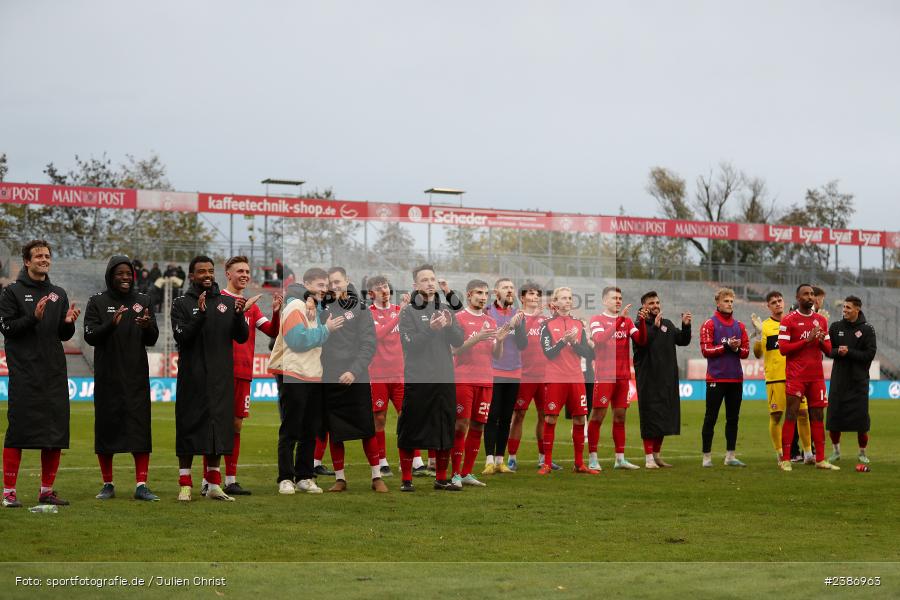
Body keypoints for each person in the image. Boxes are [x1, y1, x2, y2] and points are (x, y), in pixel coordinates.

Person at [1, 240, 80, 508]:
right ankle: (9, 492)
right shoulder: (11, 292)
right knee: (18, 432)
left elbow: (61, 334)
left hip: (54, 373)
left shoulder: (58, 293)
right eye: (38, 256)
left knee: (54, 433)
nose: (44, 259)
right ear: (27, 261)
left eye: (47, 255)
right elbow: (8, 329)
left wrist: (68, 324)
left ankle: (46, 490)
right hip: (25, 373)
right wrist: (33, 317)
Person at [199, 256, 282, 496]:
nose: (245, 275)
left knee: (236, 426)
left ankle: (231, 480)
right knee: (214, 427)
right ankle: (208, 480)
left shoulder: (252, 306)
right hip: (219, 373)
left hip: (244, 372)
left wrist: (276, 313)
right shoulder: (218, 300)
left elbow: (272, 331)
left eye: (247, 271)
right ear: (228, 274)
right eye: (240, 271)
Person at [171, 256, 250, 501]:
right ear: (191, 276)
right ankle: (185, 484)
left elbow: (242, 337)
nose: (207, 275)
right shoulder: (181, 303)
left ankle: (214, 485)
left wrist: (238, 316)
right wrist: (200, 315)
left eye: (210, 271)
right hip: (192, 379)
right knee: (189, 428)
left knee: (217, 431)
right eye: (201, 271)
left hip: (220, 380)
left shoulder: (227, 302)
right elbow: (181, 336)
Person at [84, 256, 160, 502]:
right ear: (110, 275)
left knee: (140, 431)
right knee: (106, 430)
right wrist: (110, 324)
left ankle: (142, 485)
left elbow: (152, 339)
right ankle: (108, 484)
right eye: (120, 273)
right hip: (108, 378)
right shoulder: (97, 301)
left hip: (136, 377)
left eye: (129, 273)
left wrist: (148, 326)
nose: (126, 277)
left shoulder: (143, 300)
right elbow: (90, 335)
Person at [269, 268, 342, 495]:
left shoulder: (312, 305)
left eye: (326, 285)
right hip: (294, 373)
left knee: (310, 430)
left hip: (313, 374)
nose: (324, 289)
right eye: (320, 285)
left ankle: (304, 476)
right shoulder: (295, 306)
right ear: (307, 283)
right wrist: (326, 330)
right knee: (291, 429)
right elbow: (297, 340)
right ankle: (285, 477)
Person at [397, 264, 465, 492]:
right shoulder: (407, 311)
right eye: (424, 279)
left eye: (432, 279)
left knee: (445, 427)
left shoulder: (446, 309)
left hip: (444, 377)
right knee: (410, 427)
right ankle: (407, 479)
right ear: (415, 285)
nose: (429, 283)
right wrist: (431, 330)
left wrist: (447, 326)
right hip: (418, 378)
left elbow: (458, 341)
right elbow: (409, 344)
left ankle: (441, 478)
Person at [319, 267, 385, 493]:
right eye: (331, 283)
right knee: (335, 430)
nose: (334, 286)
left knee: (367, 429)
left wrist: (354, 371)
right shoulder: (323, 308)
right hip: (330, 377)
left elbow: (369, 344)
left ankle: (377, 477)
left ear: (347, 281)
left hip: (356, 377)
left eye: (338, 281)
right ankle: (340, 478)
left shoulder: (361, 308)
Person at [778, 283, 838, 471]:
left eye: (812, 294)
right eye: (806, 294)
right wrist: (806, 340)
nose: (810, 297)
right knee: (791, 414)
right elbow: (783, 349)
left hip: (816, 377)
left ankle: (820, 459)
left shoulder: (821, 320)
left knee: (818, 415)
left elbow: (829, 350)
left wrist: (820, 340)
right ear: (798, 298)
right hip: (796, 376)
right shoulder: (788, 320)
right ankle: (786, 459)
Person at [450, 279, 504, 488]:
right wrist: (477, 337)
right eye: (479, 293)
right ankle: (454, 474)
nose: (483, 297)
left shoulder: (491, 321)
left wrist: (499, 340)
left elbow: (496, 356)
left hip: (486, 380)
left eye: (486, 294)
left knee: (479, 425)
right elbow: (454, 350)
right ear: (469, 294)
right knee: (460, 425)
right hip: (464, 379)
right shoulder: (458, 319)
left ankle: (466, 473)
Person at [538, 287, 597, 475]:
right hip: (555, 378)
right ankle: (546, 463)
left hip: (576, 378)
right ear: (555, 302)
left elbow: (589, 353)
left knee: (580, 418)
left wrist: (574, 343)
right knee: (550, 417)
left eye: (570, 298)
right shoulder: (546, 325)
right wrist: (563, 341)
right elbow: (549, 354)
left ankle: (579, 463)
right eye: (563, 298)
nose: (567, 301)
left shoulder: (578, 324)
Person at [750, 291, 813, 465]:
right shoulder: (765, 326)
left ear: (784, 302)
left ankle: (808, 453)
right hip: (775, 378)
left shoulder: (793, 322)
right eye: (773, 302)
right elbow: (757, 354)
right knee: (777, 416)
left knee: (803, 413)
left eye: (780, 300)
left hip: (796, 377)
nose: (778, 304)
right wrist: (757, 334)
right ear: (768, 306)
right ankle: (779, 453)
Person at [632, 291, 692, 468]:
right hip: (648, 379)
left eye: (657, 302)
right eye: (651, 303)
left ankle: (657, 455)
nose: (656, 305)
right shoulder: (638, 325)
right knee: (650, 417)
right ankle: (649, 458)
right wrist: (654, 327)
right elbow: (643, 343)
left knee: (664, 417)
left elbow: (682, 340)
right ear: (644, 306)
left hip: (667, 378)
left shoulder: (667, 324)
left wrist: (686, 326)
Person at [587, 286, 643, 471]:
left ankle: (620, 459)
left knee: (620, 417)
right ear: (604, 301)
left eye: (620, 298)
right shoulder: (597, 320)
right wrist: (619, 321)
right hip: (604, 377)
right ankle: (593, 458)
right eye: (614, 298)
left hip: (623, 377)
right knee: (598, 416)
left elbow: (641, 340)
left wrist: (643, 322)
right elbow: (600, 339)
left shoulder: (627, 322)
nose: (618, 301)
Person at [367, 275, 417, 477]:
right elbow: (378, 335)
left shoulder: (400, 311)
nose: (384, 290)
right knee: (379, 418)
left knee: (408, 416)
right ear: (371, 294)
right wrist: (401, 314)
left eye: (386, 286)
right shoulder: (368, 314)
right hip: (377, 375)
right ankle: (382, 460)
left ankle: (415, 460)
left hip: (400, 375)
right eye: (379, 288)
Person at [507, 282, 557, 471]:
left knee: (545, 416)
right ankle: (512, 458)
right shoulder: (517, 317)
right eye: (531, 294)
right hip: (524, 375)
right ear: (522, 298)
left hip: (545, 375)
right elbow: (521, 340)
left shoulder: (546, 319)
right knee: (519, 415)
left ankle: (543, 458)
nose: (535, 297)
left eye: (537, 294)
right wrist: (535, 316)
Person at [699, 288, 750, 467]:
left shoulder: (740, 326)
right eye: (726, 301)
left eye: (731, 301)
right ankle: (706, 457)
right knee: (710, 417)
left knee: (733, 418)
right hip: (716, 379)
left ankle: (730, 456)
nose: (729, 304)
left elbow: (745, 352)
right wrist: (726, 346)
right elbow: (706, 350)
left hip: (735, 379)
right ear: (718, 303)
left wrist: (735, 348)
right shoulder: (709, 324)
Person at [482, 278, 527, 475]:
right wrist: (510, 325)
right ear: (495, 292)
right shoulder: (487, 313)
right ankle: (489, 460)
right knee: (492, 417)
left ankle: (501, 460)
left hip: (514, 371)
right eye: (505, 287)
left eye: (511, 287)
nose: (509, 290)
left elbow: (522, 344)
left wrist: (516, 326)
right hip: (493, 371)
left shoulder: (518, 315)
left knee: (507, 417)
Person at [826, 295, 876, 464]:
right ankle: (836, 451)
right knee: (834, 419)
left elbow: (870, 354)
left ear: (857, 309)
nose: (844, 310)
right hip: (839, 381)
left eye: (848, 307)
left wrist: (850, 352)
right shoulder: (835, 327)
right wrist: (836, 352)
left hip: (858, 381)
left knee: (861, 421)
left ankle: (862, 453)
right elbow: (827, 350)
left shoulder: (868, 329)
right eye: (844, 307)